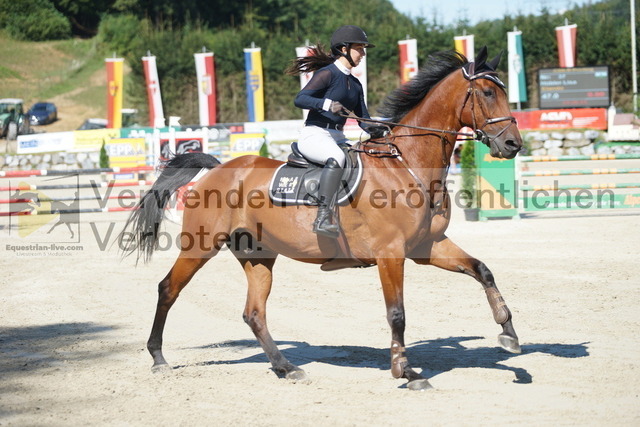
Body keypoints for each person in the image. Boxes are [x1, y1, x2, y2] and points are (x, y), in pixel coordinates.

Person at [286, 25, 386, 238]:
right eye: (359, 48)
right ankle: (322, 217)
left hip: (338, 137)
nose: (363, 54)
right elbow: (300, 99)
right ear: (344, 49)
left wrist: (383, 128)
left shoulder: (356, 84)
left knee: (363, 160)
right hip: (315, 134)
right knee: (337, 158)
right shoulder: (327, 74)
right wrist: (326, 104)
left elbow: (363, 120)